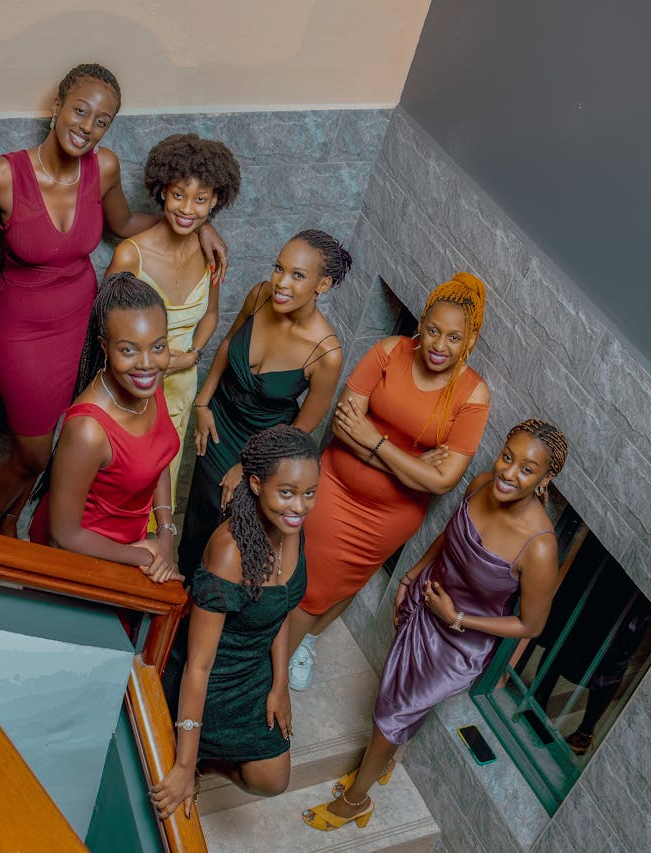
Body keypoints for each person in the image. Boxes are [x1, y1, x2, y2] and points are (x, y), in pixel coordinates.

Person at [0, 63, 227, 538]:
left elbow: (123, 224)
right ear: (57, 106)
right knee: (32, 453)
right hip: (21, 332)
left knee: (58, 442)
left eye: (101, 121)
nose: (87, 127)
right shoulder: (2, 175)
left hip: (82, 328)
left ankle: (10, 524)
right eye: (80, 111)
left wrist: (199, 226)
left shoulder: (103, 168)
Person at [303, 419, 568, 832]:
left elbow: (530, 625)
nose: (508, 473)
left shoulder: (539, 548)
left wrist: (456, 618)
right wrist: (412, 575)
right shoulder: (481, 483)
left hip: (458, 646)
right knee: (399, 700)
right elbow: (451, 535)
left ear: (545, 479)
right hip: (427, 598)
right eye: (507, 457)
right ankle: (384, 761)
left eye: (527, 469)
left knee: (390, 712)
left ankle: (355, 801)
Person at [288, 272, 491, 691]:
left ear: (469, 341)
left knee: (346, 581)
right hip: (334, 487)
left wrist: (374, 440)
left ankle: (304, 642)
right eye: (433, 330)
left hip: (388, 518)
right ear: (421, 324)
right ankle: (270, 651)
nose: (439, 345)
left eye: (454, 337)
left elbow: (442, 482)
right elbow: (343, 426)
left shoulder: (474, 396)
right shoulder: (388, 351)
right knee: (308, 576)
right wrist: (411, 466)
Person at [153, 426, 321, 820]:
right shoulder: (230, 553)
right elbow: (198, 666)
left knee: (272, 780)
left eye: (310, 493)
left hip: (253, 670)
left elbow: (279, 610)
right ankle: (195, 758)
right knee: (189, 755)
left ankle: (208, 762)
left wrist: (280, 684)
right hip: (210, 679)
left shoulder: (291, 530)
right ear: (257, 484)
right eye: (287, 493)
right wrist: (183, 767)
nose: (299, 507)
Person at [177, 230, 350, 581]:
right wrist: (203, 403)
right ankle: (172, 596)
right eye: (279, 268)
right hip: (217, 427)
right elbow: (229, 343)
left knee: (227, 539)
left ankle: (204, 604)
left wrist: (249, 466)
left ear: (323, 285)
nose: (281, 283)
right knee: (196, 522)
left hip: (263, 448)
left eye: (297, 275)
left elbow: (301, 430)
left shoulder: (326, 354)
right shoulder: (259, 296)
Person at [105, 133, 241, 508]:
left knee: (161, 490)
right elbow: (103, 328)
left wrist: (192, 355)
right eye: (179, 194)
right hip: (132, 386)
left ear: (215, 200)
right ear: (163, 190)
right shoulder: (130, 256)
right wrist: (156, 362)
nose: (187, 209)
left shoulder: (212, 255)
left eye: (201, 199)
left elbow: (210, 314)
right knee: (122, 489)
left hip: (181, 386)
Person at [28, 273, 180, 581]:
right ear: (105, 346)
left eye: (158, 346)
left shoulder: (149, 383)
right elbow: (63, 536)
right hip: (83, 558)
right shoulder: (88, 430)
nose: (147, 363)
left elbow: (158, 457)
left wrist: (165, 532)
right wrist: (147, 557)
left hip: (134, 543)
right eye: (128, 350)